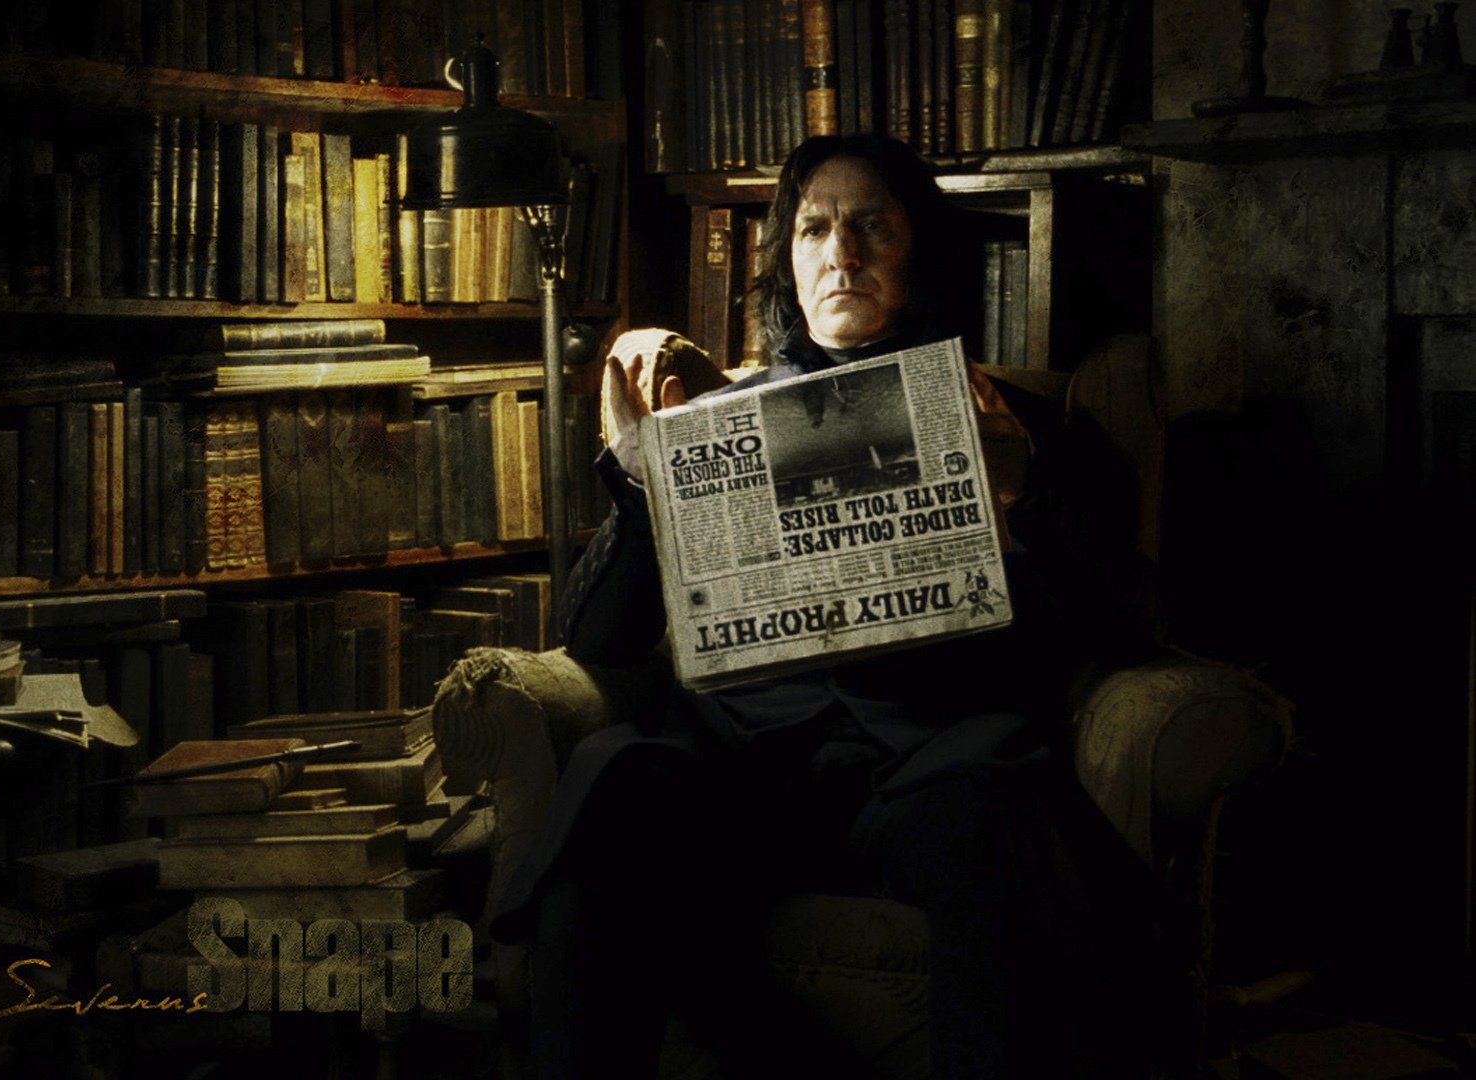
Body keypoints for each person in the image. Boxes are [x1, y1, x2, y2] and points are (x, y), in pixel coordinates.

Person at [489, 135, 1170, 1079]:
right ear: (787, 261)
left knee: (991, 808)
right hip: (743, 777)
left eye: (871, 227)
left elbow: (1120, 627)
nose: (841, 254)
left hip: (927, 771)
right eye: (815, 229)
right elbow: (600, 640)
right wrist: (643, 485)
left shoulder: (1022, 422)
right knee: (616, 769)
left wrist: (1024, 490)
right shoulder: (713, 423)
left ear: (917, 250)